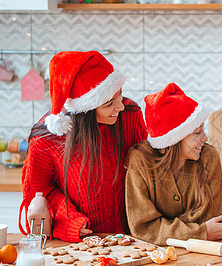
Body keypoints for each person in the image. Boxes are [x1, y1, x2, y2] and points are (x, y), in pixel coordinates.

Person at [19, 51, 147, 242]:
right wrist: (70, 221)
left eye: (120, 94)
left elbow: (145, 172)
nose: (120, 106)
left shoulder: (129, 117)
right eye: (109, 103)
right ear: (84, 111)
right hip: (81, 243)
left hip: (133, 240)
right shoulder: (47, 139)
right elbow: (40, 194)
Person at [125, 82, 222, 245]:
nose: (205, 139)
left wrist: (163, 227)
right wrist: (200, 231)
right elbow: (143, 229)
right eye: (197, 132)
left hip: (201, 253)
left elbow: (210, 219)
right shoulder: (140, 160)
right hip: (155, 258)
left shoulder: (209, 157)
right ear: (174, 139)